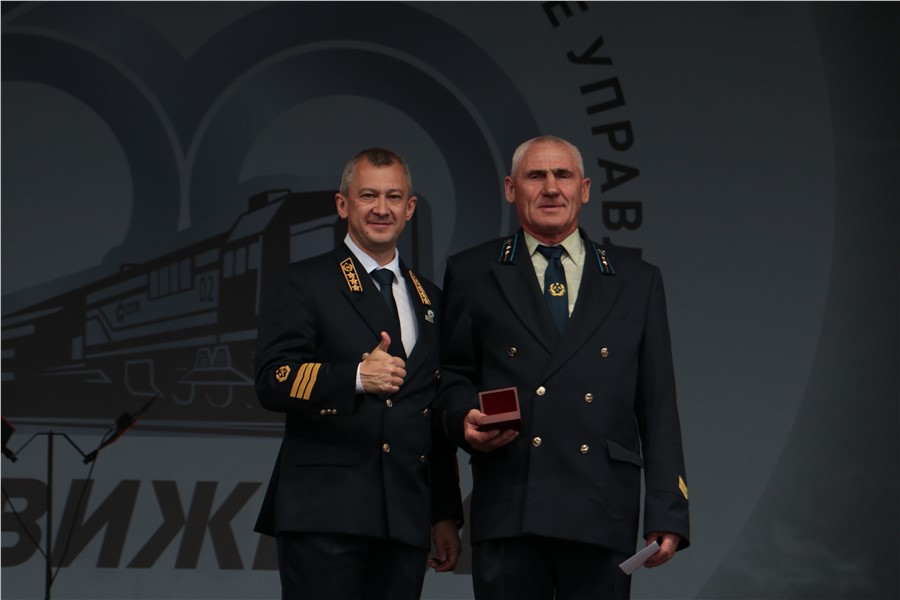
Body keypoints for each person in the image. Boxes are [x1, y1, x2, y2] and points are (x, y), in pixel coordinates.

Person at [436, 135, 689, 599]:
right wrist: (463, 418)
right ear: (510, 188)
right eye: (536, 176)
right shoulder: (473, 272)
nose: (551, 188)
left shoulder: (637, 280)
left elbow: (658, 405)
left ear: (585, 189)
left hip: (602, 506)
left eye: (563, 175)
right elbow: (451, 378)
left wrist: (666, 509)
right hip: (510, 503)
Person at [254, 147, 463, 600]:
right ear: (343, 204)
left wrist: (443, 513)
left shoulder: (432, 299)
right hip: (325, 514)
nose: (381, 209)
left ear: (410, 208)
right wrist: (354, 377)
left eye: (393, 197)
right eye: (368, 195)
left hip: (404, 517)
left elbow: (433, 413)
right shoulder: (304, 281)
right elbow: (272, 379)